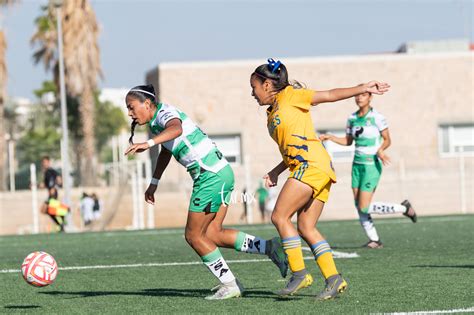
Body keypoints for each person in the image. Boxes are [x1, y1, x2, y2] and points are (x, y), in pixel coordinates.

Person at [124, 84, 287, 300]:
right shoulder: (157, 122)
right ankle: (270, 247)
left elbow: (176, 129)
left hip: (210, 176)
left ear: (147, 103)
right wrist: (154, 182)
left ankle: (230, 284)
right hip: (221, 173)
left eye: (131, 107)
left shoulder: (165, 113)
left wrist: (148, 142)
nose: (130, 113)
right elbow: (167, 149)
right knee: (212, 234)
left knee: (193, 235)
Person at [250, 58, 391, 299]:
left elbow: (330, 94)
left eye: (253, 87)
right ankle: (334, 279)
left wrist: (362, 87)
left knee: (279, 216)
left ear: (266, 84)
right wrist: (276, 171)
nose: (252, 93)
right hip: (314, 166)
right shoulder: (271, 112)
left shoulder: (291, 96)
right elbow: (294, 146)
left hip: (312, 166)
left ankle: (299, 273)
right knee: (305, 226)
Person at [319, 89, 417, 249]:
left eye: (363, 95)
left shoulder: (377, 118)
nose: (359, 97)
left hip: (372, 164)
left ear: (370, 97)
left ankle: (404, 208)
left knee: (364, 206)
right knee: (359, 205)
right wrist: (331, 137)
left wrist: (380, 150)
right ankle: (375, 240)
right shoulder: (352, 118)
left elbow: (387, 140)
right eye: (357, 95)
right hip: (357, 165)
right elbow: (348, 141)